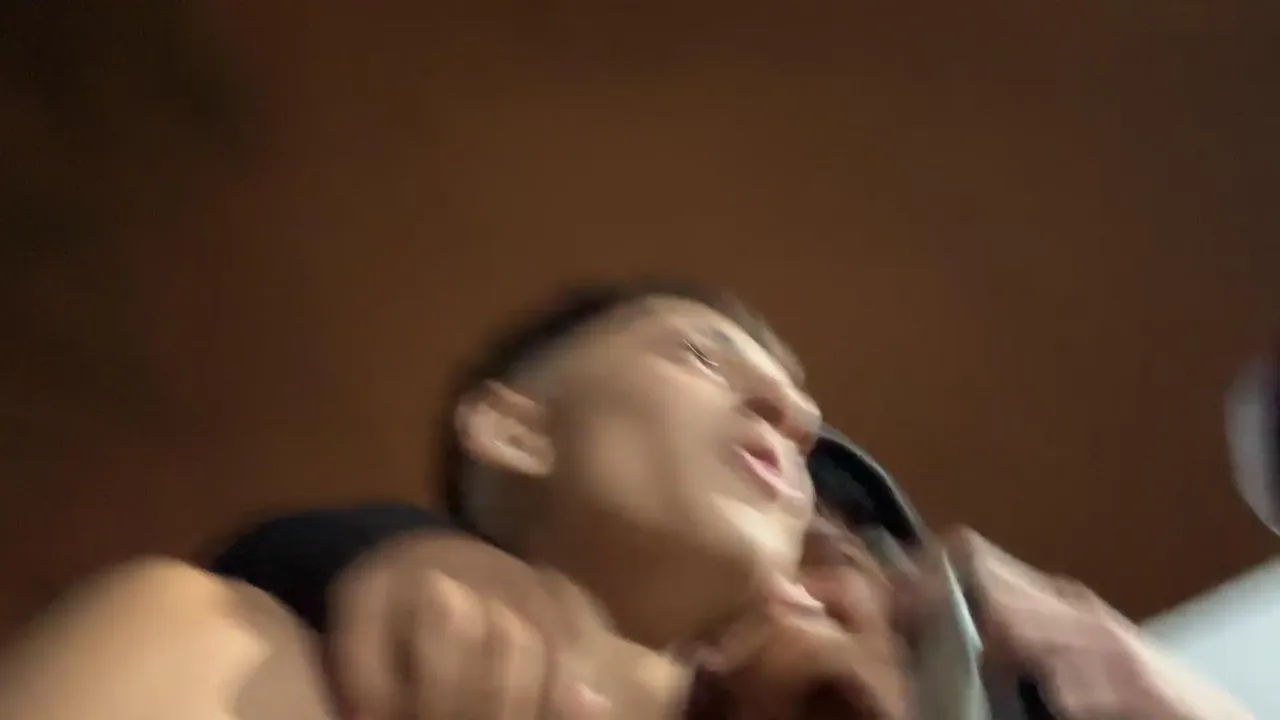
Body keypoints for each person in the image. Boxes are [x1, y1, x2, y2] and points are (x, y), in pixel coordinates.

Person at [0, 281, 1253, 720]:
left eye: (799, 411)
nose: (789, 414)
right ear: (512, 427)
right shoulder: (227, 650)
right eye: (702, 354)